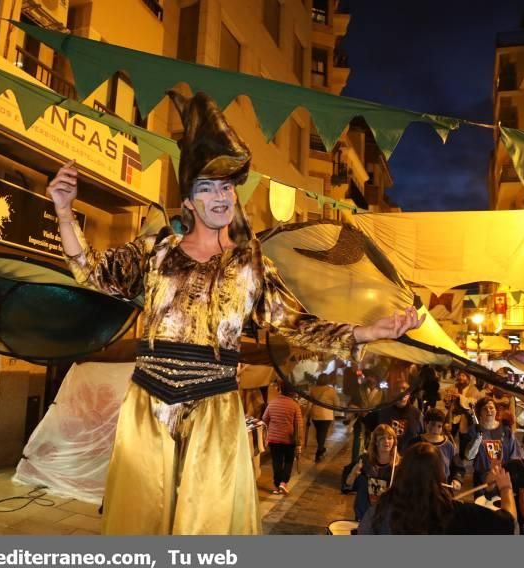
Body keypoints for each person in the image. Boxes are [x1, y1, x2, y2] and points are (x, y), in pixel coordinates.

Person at [47, 91, 425, 535]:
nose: (219, 196)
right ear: (188, 202)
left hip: (214, 410)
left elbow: (297, 325)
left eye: (226, 186)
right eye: (206, 188)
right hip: (148, 405)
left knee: (204, 528)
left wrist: (368, 330)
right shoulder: (156, 250)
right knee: (140, 525)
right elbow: (92, 272)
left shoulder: (251, 263)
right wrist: (64, 210)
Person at [358, 442, 516, 534]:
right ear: (440, 474)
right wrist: (506, 488)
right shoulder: (457, 513)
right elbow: (509, 524)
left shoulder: (380, 510)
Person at [464, 396, 522, 494]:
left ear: (496, 410)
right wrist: (477, 439)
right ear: (479, 413)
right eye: (484, 408)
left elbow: (515, 455)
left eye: (491, 407)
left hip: (502, 478)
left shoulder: (506, 431)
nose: (488, 410)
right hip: (482, 480)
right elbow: (469, 456)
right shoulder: (473, 430)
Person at [346, 424, 400, 521]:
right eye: (382, 438)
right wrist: (354, 473)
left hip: (386, 515)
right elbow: (348, 485)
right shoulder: (364, 460)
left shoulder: (399, 465)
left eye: (390, 438)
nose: (386, 441)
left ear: (394, 441)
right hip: (364, 514)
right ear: (375, 441)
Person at [262, 381, 304, 495]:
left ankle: (277, 486)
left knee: (276, 461)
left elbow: (264, 419)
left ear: (280, 389)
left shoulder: (272, 403)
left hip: (274, 439)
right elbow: (299, 425)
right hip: (289, 439)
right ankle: (283, 483)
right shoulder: (295, 405)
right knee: (289, 461)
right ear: (292, 392)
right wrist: (300, 442)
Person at [408, 408, 464, 490]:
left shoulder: (448, 445)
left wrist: (457, 479)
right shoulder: (415, 443)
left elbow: (458, 467)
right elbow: (407, 466)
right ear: (425, 423)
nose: (435, 429)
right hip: (419, 488)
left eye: (439, 426)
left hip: (442, 488)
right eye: (432, 424)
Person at [372, 383, 424, 452]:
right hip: (386, 458)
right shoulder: (382, 412)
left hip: (410, 459)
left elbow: (423, 437)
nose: (401, 392)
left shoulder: (417, 415)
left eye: (404, 389)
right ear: (393, 392)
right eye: (397, 389)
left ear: (409, 393)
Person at [309, 373, 339, 462]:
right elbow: (336, 403)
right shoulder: (331, 390)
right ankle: (319, 452)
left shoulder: (313, 389)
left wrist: (307, 414)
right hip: (326, 415)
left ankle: (321, 449)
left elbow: (310, 402)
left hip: (315, 414)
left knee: (319, 433)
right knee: (322, 433)